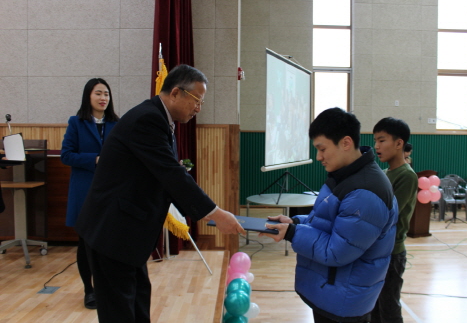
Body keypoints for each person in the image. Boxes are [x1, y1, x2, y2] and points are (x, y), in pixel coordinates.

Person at [75, 64, 245, 323]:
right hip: (112, 231)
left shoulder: (162, 120)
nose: (199, 108)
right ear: (175, 93)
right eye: (196, 100)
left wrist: (208, 211)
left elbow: (164, 176)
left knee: (138, 303)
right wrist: (215, 213)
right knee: (119, 312)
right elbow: (170, 174)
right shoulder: (148, 118)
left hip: (128, 233)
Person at [260, 108, 398, 323]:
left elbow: (337, 251)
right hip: (332, 291)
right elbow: (327, 222)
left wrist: (293, 233)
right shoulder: (345, 176)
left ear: (345, 143)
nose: (319, 157)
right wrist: (294, 222)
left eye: (322, 149)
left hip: (344, 302)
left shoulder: (365, 193)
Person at [61, 78, 120, 309]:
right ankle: (89, 290)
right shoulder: (76, 123)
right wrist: (93, 159)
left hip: (111, 192)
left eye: (106, 93)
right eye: (98, 93)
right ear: (89, 96)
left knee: (110, 242)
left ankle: (109, 288)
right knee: (85, 243)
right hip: (84, 191)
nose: (103, 98)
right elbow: (67, 155)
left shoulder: (117, 123)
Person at [372, 117, 418, 323]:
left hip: (391, 253)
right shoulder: (384, 173)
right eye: (375, 141)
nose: (376, 146)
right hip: (377, 252)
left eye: (382, 140)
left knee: (388, 308)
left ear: (399, 143)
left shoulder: (407, 176)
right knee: (372, 308)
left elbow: (388, 215)